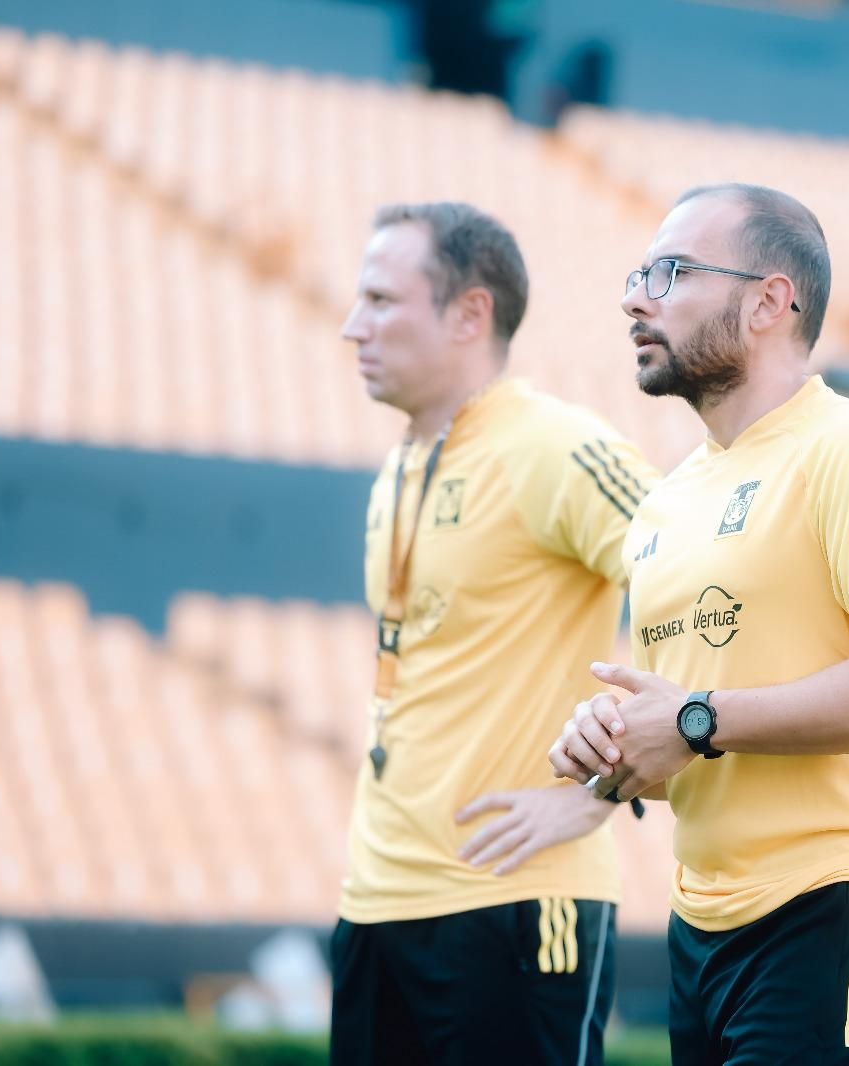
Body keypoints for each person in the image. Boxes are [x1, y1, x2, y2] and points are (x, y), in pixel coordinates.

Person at [550, 184, 849, 1065]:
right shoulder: (666, 503)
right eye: (639, 274)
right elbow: (689, 746)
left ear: (770, 301)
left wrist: (696, 718)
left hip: (840, 898)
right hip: (700, 924)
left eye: (671, 272)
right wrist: (619, 744)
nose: (637, 297)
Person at [334, 201, 654, 1065]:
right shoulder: (399, 465)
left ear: (470, 313)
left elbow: (704, 600)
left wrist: (600, 793)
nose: (349, 326)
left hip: (515, 905)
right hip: (376, 904)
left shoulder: (556, 447)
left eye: (379, 301)